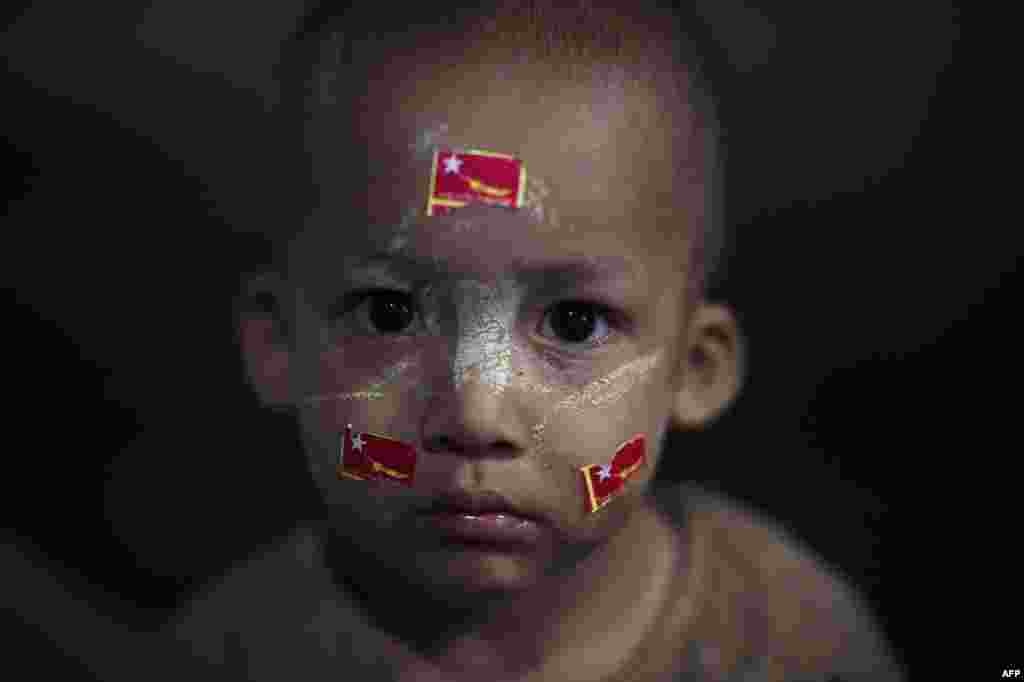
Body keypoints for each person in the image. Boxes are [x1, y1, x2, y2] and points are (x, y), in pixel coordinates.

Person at [164, 2, 906, 680]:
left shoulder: (789, 639)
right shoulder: (236, 653)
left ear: (692, 368)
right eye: (389, 313)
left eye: (572, 323)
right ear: (278, 344)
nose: (475, 418)